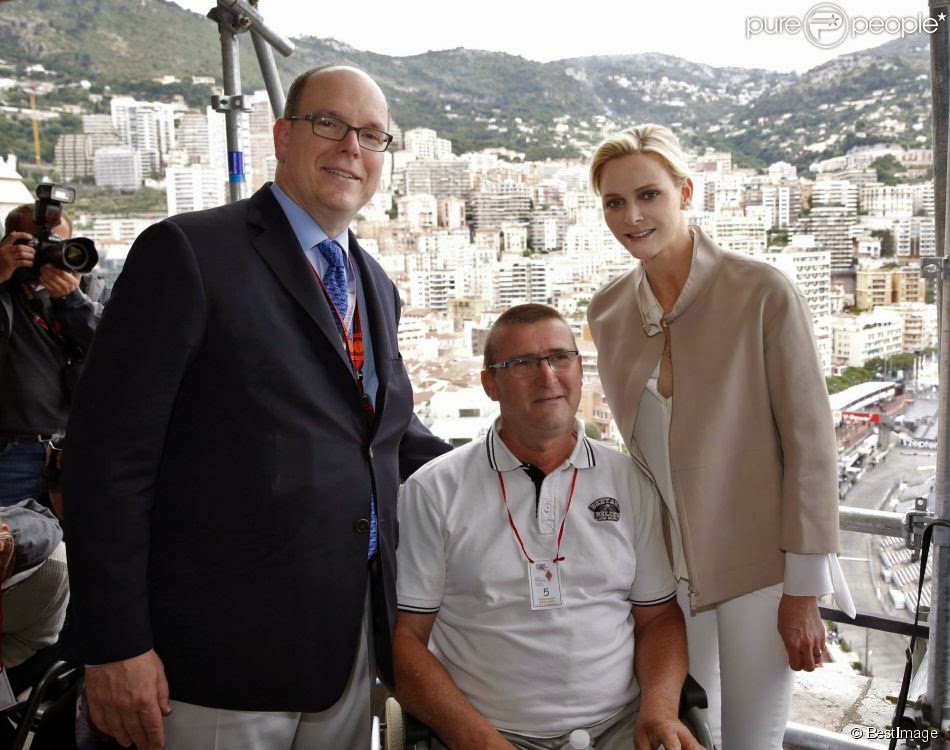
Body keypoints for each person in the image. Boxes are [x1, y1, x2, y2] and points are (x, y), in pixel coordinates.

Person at [62, 64, 450, 750]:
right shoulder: (189, 252)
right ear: (282, 135)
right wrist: (114, 643)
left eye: (370, 135)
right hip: (213, 664)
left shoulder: (376, 285)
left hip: (342, 652)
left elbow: (387, 441)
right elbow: (107, 458)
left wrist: (519, 461)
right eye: (328, 124)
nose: (350, 147)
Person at [586, 124, 855, 749]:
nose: (632, 216)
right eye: (614, 202)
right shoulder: (606, 312)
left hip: (762, 569)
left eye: (648, 195)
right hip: (664, 578)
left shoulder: (762, 290)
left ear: (685, 192)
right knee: (682, 736)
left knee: (753, 740)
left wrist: (804, 591)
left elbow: (811, 447)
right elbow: (633, 455)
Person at [393, 304, 703, 750]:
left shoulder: (630, 480)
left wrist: (658, 711)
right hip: (487, 734)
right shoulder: (433, 491)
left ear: (580, 369)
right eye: (521, 363)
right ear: (489, 384)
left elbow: (658, 618)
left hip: (621, 729)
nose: (547, 376)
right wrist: (476, 739)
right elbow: (404, 641)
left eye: (561, 357)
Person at [0, 204, 108, 507]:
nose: (51, 252)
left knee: (76, 548)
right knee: (10, 546)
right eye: (39, 244)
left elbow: (114, 352)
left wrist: (73, 302)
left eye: (59, 245)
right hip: (11, 452)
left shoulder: (89, 289)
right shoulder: (5, 287)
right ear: (10, 241)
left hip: (72, 449)